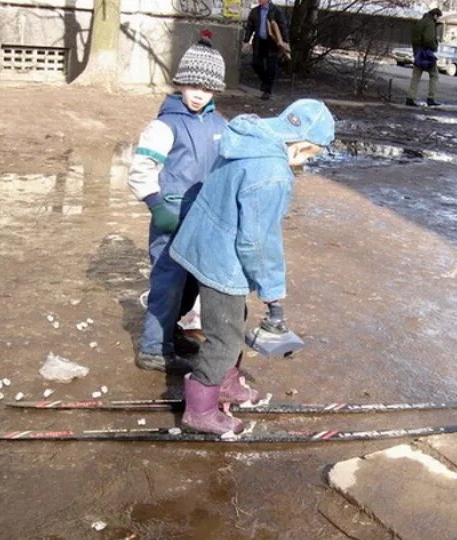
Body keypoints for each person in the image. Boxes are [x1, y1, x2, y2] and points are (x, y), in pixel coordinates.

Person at [169, 99, 335, 434]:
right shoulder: (272, 174)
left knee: (232, 319)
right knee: (225, 339)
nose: (304, 163)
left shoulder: (247, 138)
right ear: (301, 144)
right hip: (222, 260)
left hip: (201, 242)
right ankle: (199, 409)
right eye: (309, 155)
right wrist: (273, 292)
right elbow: (257, 242)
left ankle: (226, 382)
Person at [127, 34, 227, 374]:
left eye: (207, 88)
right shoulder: (165, 125)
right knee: (168, 282)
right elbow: (141, 169)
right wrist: (157, 206)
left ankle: (171, 333)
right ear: (181, 83)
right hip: (171, 218)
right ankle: (154, 349)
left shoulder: (219, 125)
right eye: (193, 85)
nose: (199, 93)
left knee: (193, 284)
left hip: (204, 222)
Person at [243, 0, 289, 100]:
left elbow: (282, 26)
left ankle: (267, 91)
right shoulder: (254, 11)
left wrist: (285, 41)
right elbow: (249, 27)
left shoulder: (276, 10)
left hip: (272, 43)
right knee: (256, 63)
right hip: (259, 42)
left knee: (271, 68)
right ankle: (265, 82)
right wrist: (246, 40)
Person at [405, 7, 443, 107]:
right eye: (438, 17)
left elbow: (414, 38)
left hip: (418, 53)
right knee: (434, 75)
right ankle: (431, 98)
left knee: (416, 76)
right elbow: (428, 40)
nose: (438, 19)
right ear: (435, 15)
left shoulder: (420, 22)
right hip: (427, 54)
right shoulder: (430, 24)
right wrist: (435, 47)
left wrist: (416, 51)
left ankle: (410, 97)